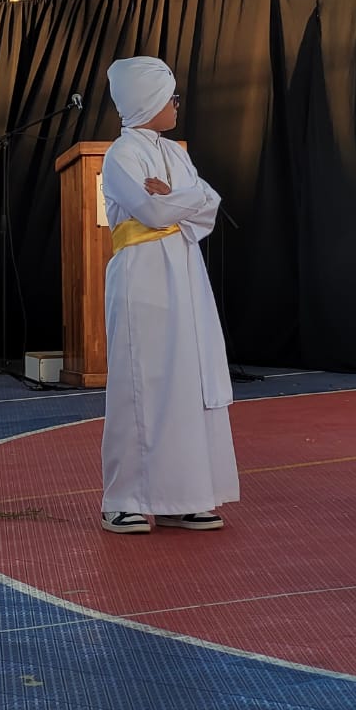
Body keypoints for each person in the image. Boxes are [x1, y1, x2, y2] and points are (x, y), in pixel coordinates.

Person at [100, 56, 239, 535]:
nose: (177, 104)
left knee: (184, 380)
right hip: (142, 276)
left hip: (184, 271)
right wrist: (186, 199)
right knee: (141, 382)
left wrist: (179, 197)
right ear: (148, 101)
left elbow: (210, 206)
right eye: (170, 97)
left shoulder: (176, 154)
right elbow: (154, 211)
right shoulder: (121, 154)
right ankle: (123, 498)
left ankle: (183, 496)